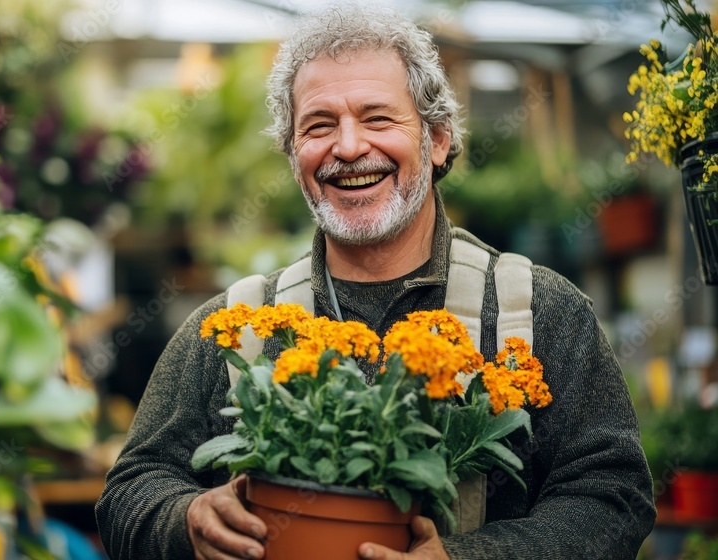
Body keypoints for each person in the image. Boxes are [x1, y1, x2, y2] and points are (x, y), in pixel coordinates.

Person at [95, 5, 656, 559]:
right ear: (294, 157)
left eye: (378, 118)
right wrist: (186, 519)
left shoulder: (537, 312)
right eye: (318, 125)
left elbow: (613, 496)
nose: (347, 147)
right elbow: (128, 493)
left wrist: (468, 557)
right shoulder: (234, 326)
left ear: (436, 140)